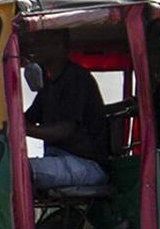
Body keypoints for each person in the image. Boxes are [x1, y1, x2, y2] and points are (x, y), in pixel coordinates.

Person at [24, 32, 110, 191]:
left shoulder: (76, 78)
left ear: (59, 47)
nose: (34, 49)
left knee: (20, 172)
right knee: (9, 167)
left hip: (86, 164)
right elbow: (26, 118)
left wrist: (23, 129)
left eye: (41, 43)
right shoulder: (49, 85)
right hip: (59, 159)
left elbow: (64, 131)